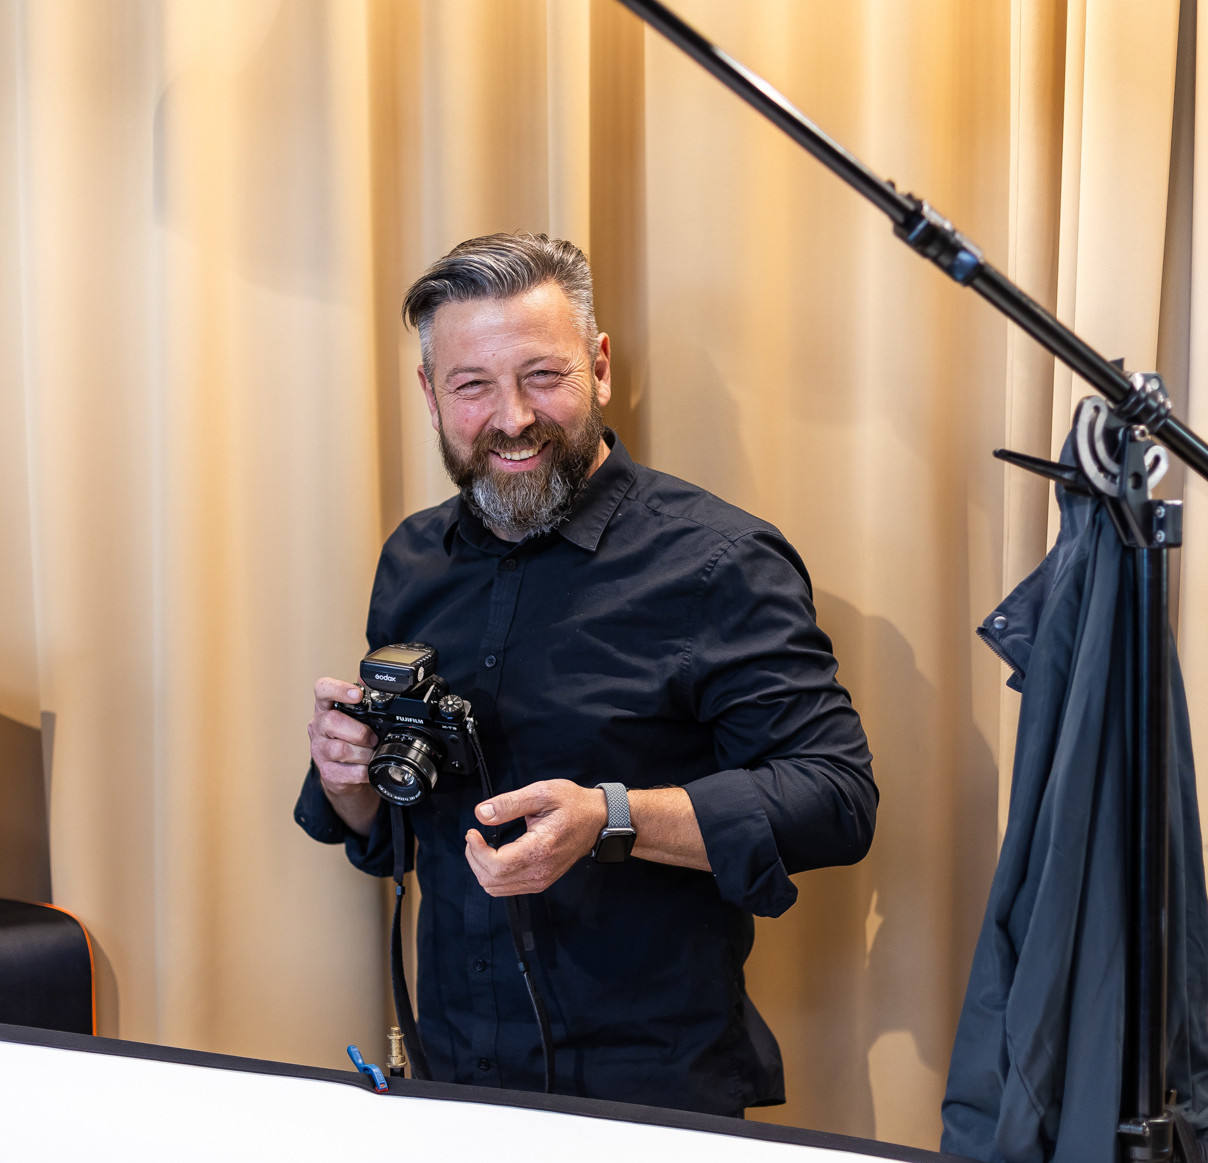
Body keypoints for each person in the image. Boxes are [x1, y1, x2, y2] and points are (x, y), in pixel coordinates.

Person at [295, 232, 876, 1116]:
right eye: (472, 385)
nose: (512, 418)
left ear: (599, 368)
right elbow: (393, 829)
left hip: (651, 1099)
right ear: (430, 394)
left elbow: (836, 798)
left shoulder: (721, 562)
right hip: (452, 1079)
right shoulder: (413, 558)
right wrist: (349, 780)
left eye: (542, 375)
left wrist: (613, 817)